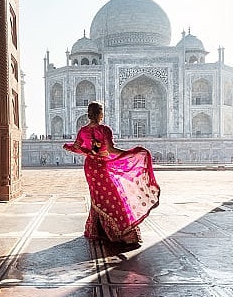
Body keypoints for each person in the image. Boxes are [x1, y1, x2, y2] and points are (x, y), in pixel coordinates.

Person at [63, 101, 160, 245]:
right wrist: (129, 153)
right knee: (113, 195)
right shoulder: (104, 130)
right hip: (101, 166)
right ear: (100, 114)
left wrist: (86, 152)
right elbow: (111, 150)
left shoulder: (82, 131)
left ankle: (98, 230)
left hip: (90, 167)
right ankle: (120, 231)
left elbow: (77, 148)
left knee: (98, 197)